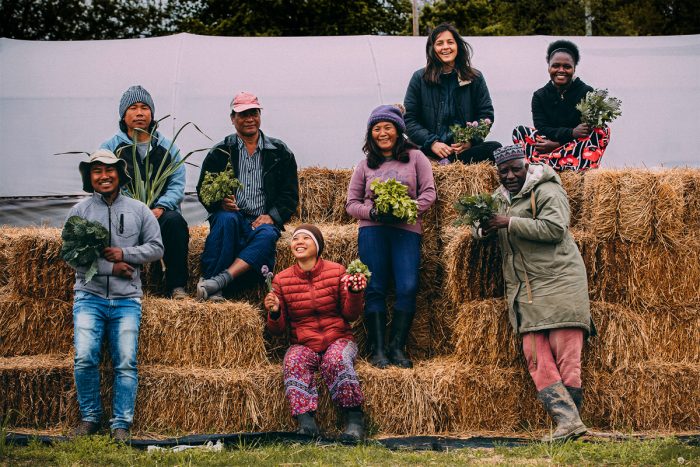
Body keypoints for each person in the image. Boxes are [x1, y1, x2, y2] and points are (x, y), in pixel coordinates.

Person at [480, 145, 594, 441]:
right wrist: (482, 229)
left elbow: (555, 229)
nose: (509, 175)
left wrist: (508, 222)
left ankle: (571, 424)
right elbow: (478, 227)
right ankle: (568, 422)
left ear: (526, 165)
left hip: (559, 281)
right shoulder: (499, 199)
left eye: (515, 168)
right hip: (523, 288)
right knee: (534, 356)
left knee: (566, 354)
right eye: (503, 171)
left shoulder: (547, 191)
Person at [65, 149, 163, 441]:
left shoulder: (139, 209)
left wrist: (126, 254)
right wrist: (110, 267)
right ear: (89, 177)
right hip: (89, 296)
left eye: (109, 170)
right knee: (84, 357)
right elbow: (71, 256)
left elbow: (157, 248)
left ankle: (121, 423)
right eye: (97, 171)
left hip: (126, 300)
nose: (104, 176)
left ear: (119, 174)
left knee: (125, 361)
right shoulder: (79, 211)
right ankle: (90, 417)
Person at [346, 105, 437, 369]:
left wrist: (408, 210)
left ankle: (397, 347)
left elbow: (429, 193)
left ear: (398, 130)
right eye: (377, 129)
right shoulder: (365, 165)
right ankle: (378, 349)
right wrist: (373, 212)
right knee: (374, 288)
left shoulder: (416, 157)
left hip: (406, 230)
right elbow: (351, 203)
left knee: (407, 286)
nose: (382, 133)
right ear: (370, 134)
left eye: (388, 127)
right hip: (372, 230)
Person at [265, 224, 367, 441]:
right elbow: (277, 330)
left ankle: (354, 419)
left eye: (305, 238)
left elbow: (351, 315)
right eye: (295, 239)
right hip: (304, 342)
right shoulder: (281, 280)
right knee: (293, 359)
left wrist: (355, 293)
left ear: (318, 246)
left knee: (336, 359)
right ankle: (306, 423)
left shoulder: (337, 271)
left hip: (338, 338)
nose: (299, 242)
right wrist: (274, 313)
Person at [196, 91, 299, 301]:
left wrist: (272, 216)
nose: (250, 119)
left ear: (260, 115)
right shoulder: (220, 152)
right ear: (233, 119)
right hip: (233, 214)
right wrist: (220, 202)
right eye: (243, 114)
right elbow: (203, 190)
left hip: (261, 218)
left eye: (254, 113)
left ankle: (218, 281)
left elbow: (290, 193)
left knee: (268, 235)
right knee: (226, 221)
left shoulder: (280, 152)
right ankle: (211, 281)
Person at [100, 85, 189, 299]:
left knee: (175, 222)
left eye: (144, 107)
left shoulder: (167, 147)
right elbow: (103, 183)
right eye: (133, 107)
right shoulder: (111, 148)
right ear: (123, 114)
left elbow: (177, 183)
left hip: (160, 212)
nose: (139, 113)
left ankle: (177, 286)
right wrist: (136, 208)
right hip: (124, 212)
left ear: (152, 113)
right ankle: (123, 285)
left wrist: (161, 207)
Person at [404, 22, 501, 165]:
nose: (445, 47)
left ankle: (448, 162)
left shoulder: (474, 78)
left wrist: (470, 140)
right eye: (439, 43)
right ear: (432, 49)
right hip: (428, 150)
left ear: (458, 46)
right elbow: (409, 119)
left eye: (450, 42)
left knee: (495, 148)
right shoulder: (420, 78)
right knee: (403, 152)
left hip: (462, 153)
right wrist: (432, 142)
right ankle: (436, 162)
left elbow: (486, 115)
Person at [512, 40, 610, 171]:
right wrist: (570, 133)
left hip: (575, 147)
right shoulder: (539, 95)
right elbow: (541, 128)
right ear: (549, 68)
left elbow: (586, 131)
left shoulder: (586, 92)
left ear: (574, 68)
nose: (561, 70)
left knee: (601, 130)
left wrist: (557, 144)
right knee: (519, 131)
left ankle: (554, 165)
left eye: (567, 66)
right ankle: (551, 164)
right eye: (556, 66)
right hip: (550, 143)